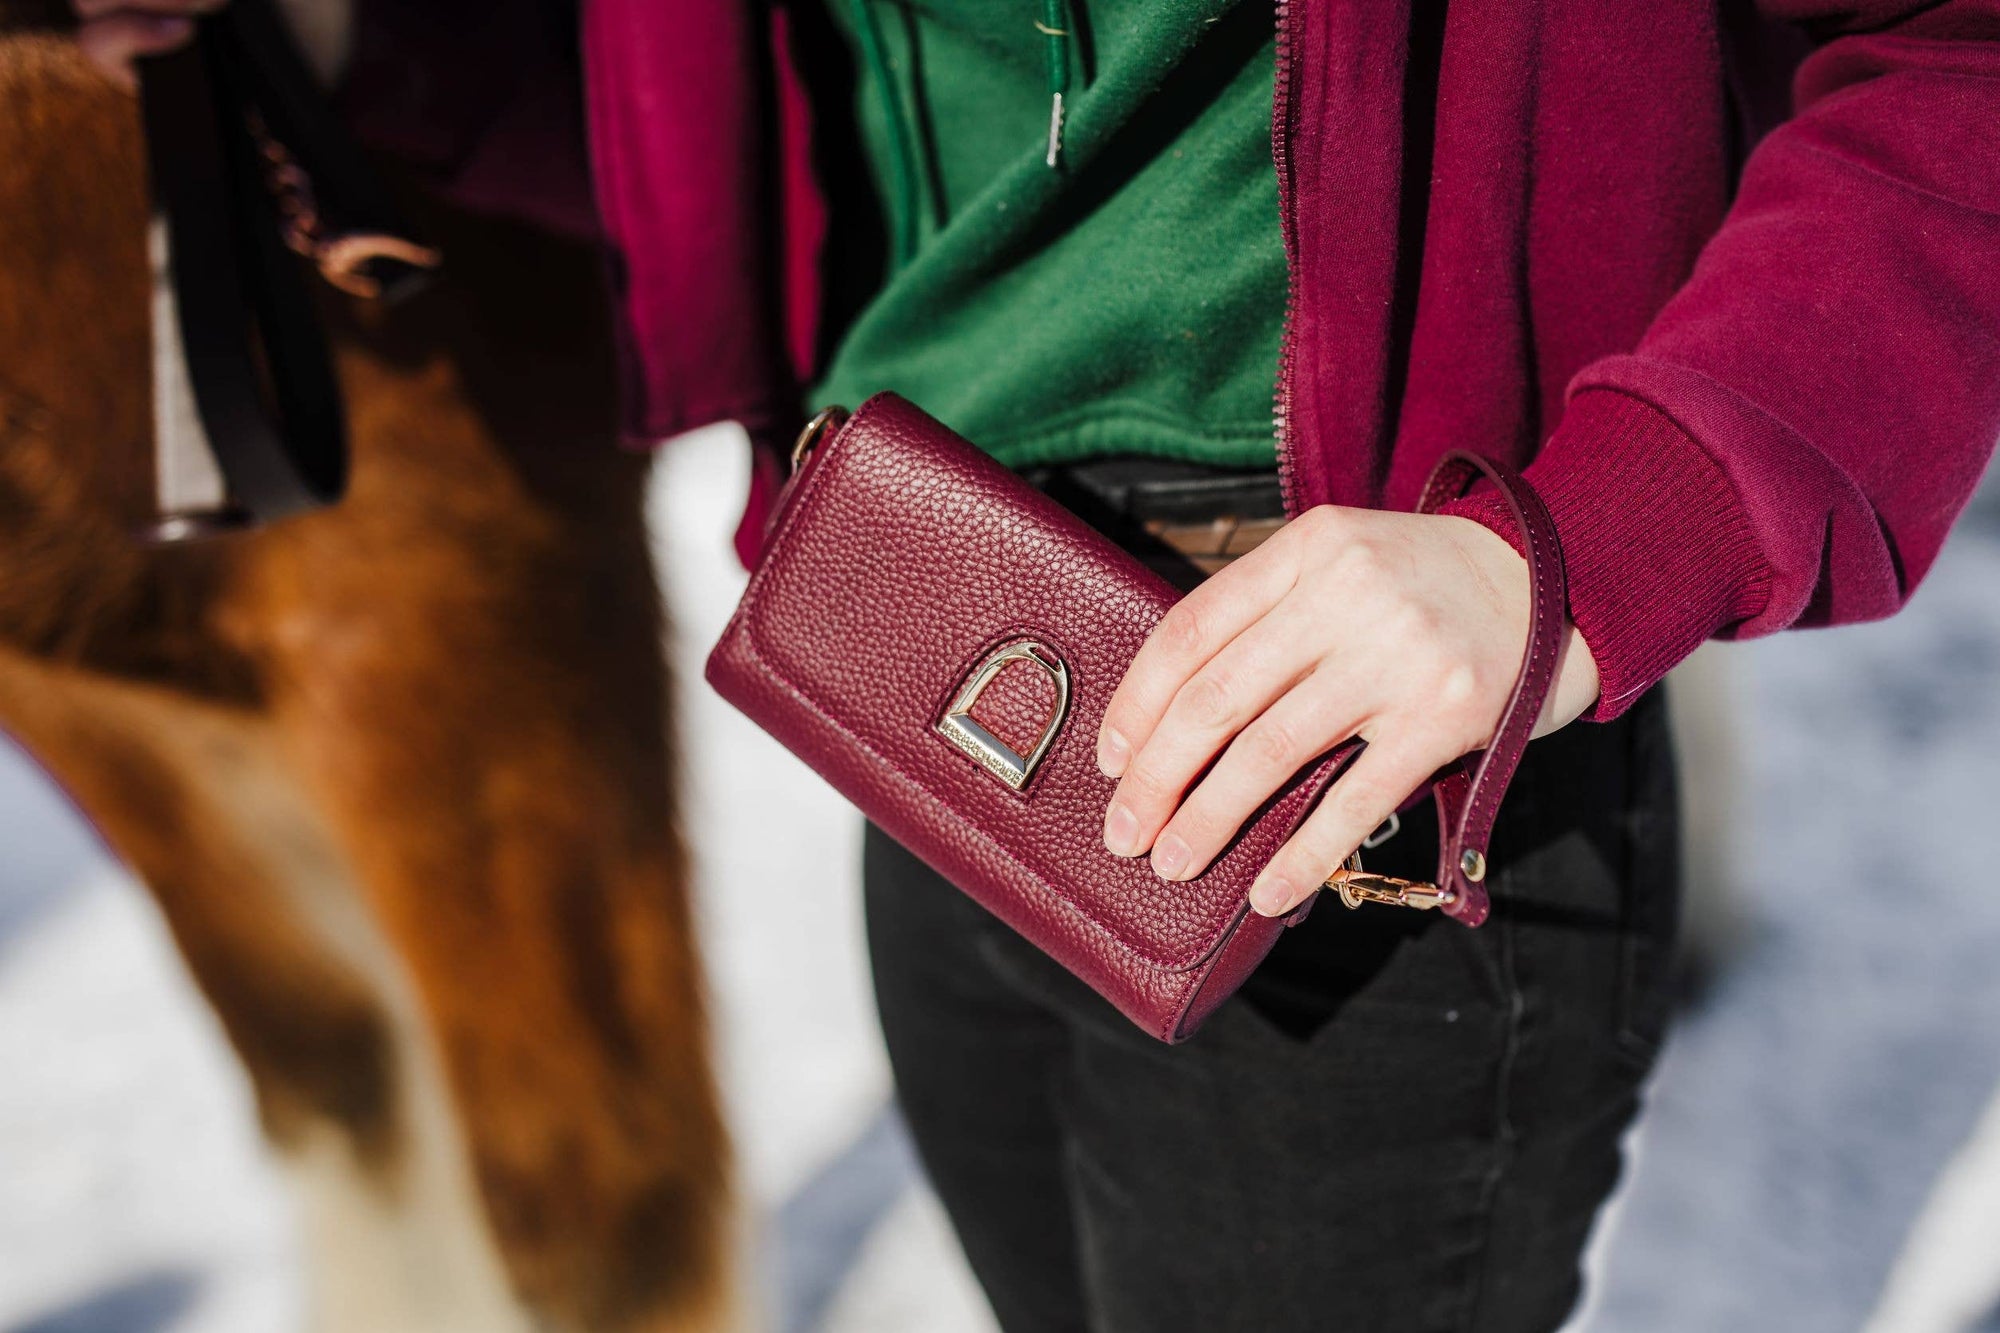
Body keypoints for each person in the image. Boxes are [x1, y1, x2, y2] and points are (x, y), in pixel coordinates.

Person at [80, 1, 2000, 1328]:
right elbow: (717, 103)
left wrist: (1591, 551)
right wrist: (330, 38)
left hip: (1349, 766)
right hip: (930, 658)